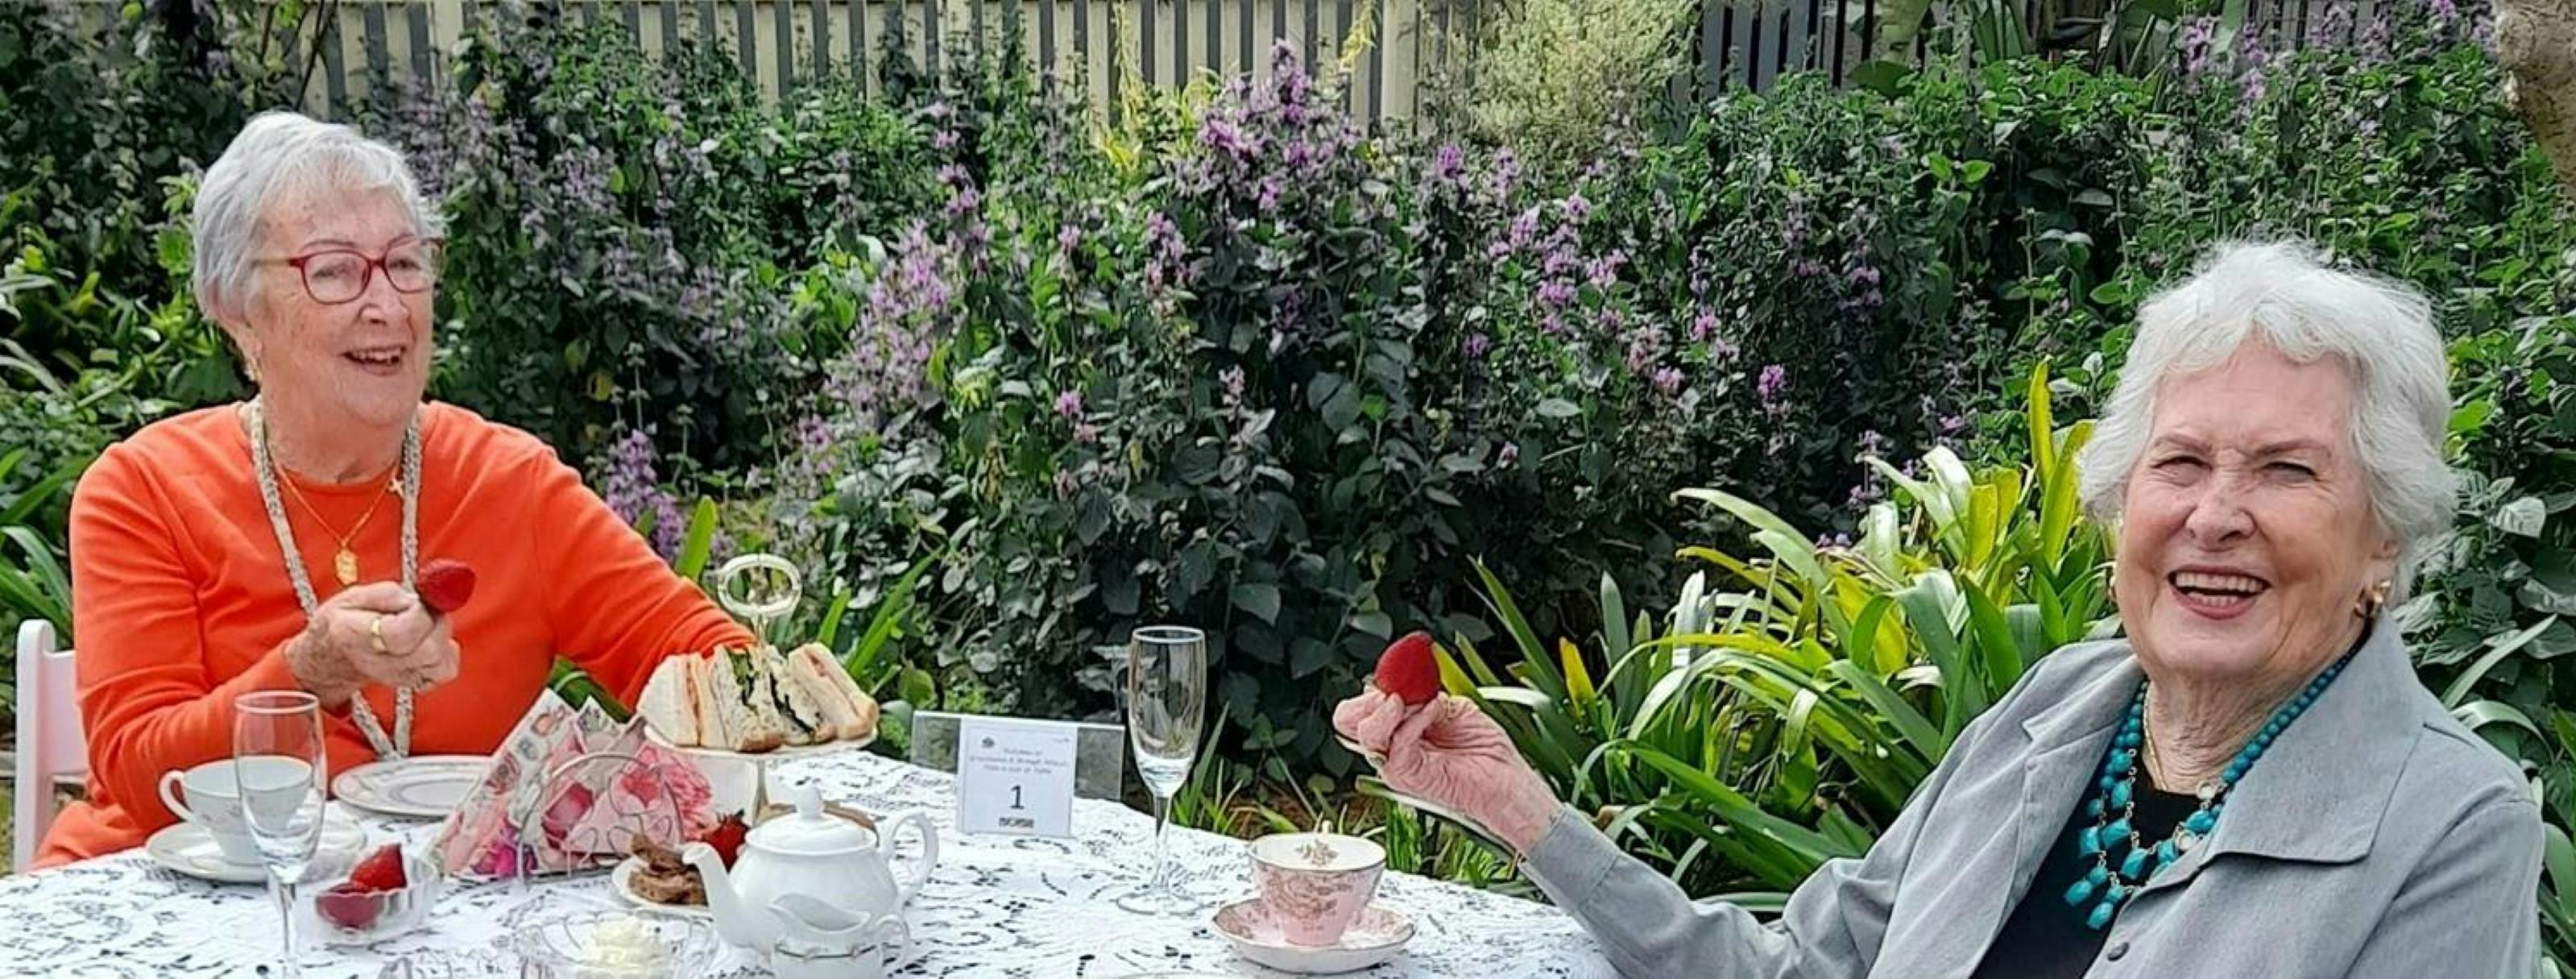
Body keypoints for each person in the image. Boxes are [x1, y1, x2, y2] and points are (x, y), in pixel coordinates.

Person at [1336, 240, 2543, 977]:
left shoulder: (2445, 828)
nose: (2215, 514)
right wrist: (1523, 811)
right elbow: (1799, 967)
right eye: (2178, 464)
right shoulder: (2062, 706)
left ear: (2382, 531)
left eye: (2285, 469)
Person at [40, 111, 754, 867]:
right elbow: (146, 785)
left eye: (406, 263)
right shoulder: (144, 490)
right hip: (175, 903)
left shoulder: (510, 481)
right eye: (335, 270)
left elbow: (709, 665)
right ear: (238, 310)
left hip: (443, 914)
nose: (386, 306)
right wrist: (310, 670)